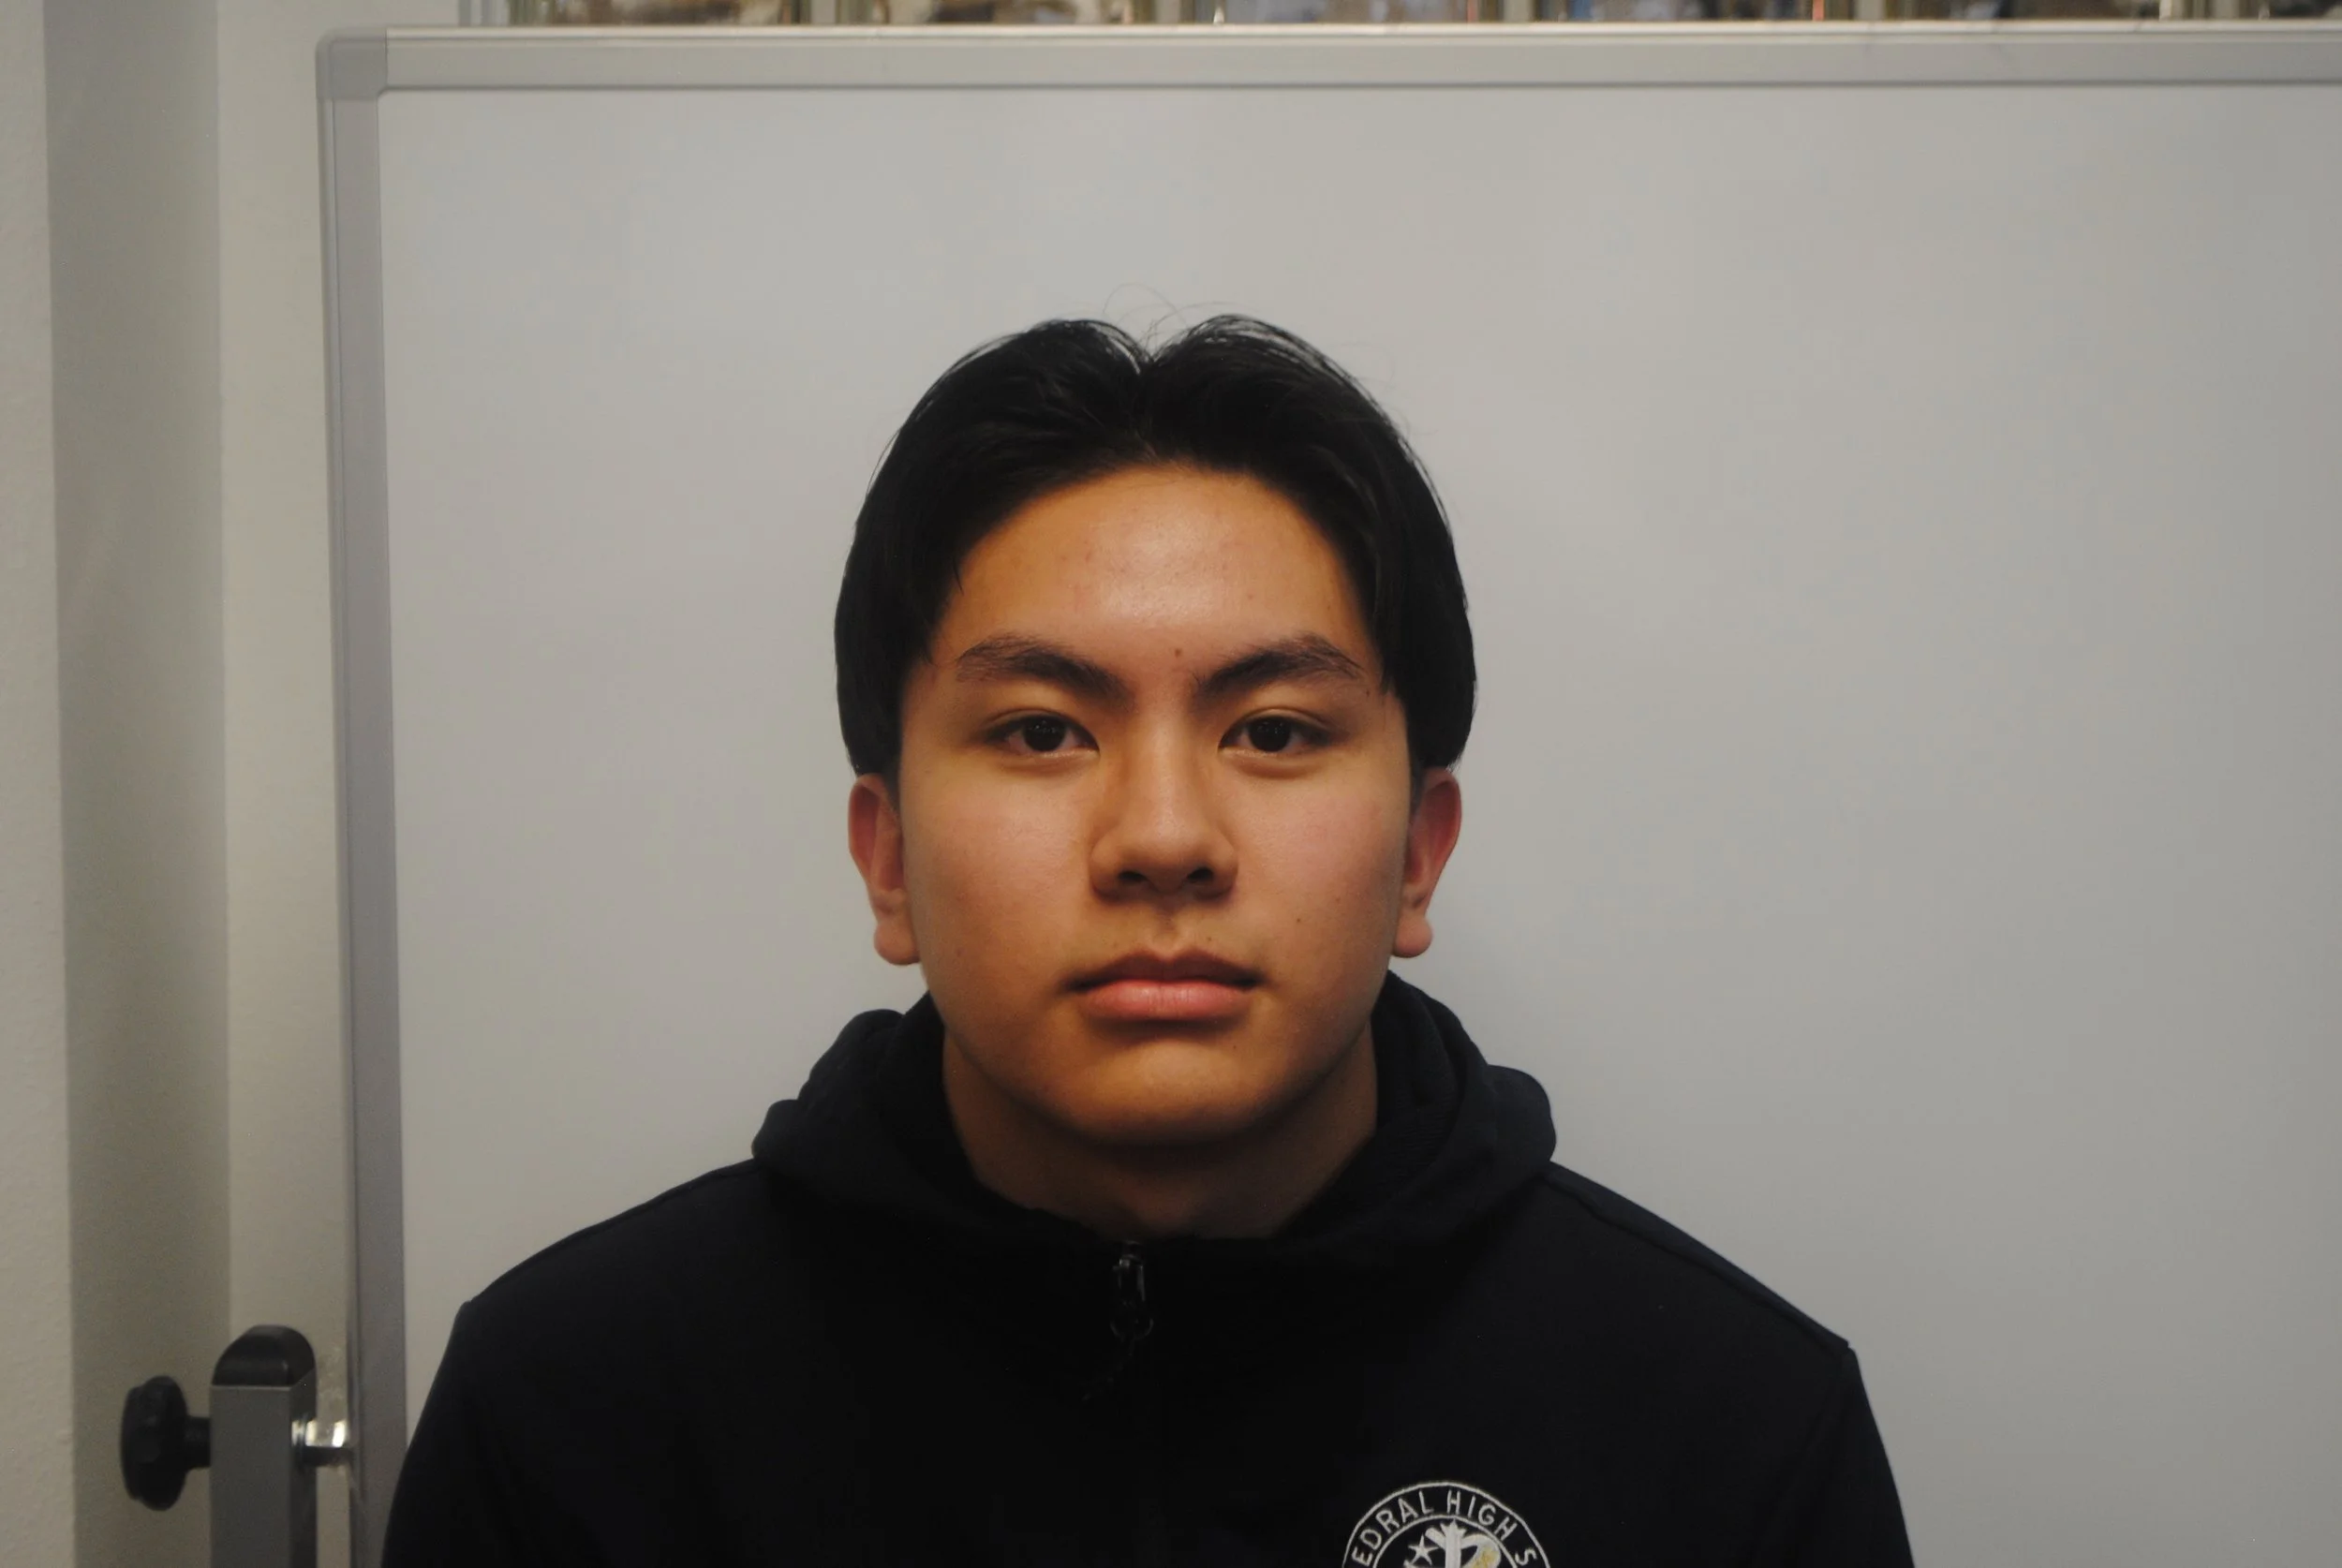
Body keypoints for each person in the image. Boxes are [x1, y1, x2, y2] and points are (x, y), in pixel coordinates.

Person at [384, 316, 1912, 1566]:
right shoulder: (577, 1410)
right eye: (1044, 728)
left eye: (1273, 727)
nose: (1164, 834)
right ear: (891, 859)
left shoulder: (1729, 1428)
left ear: (1416, 855)